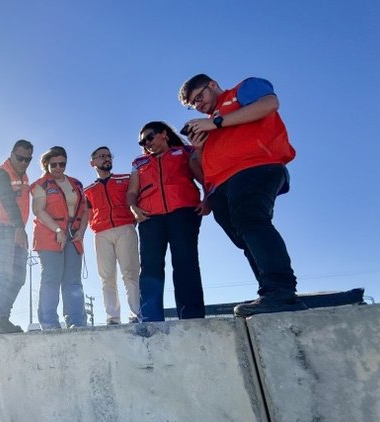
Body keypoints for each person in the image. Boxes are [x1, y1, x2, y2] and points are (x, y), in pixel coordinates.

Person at [180, 74, 307, 317]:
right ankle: (270, 294)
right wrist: (200, 147)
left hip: (254, 167)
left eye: (199, 97)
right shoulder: (209, 124)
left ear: (212, 85)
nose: (198, 105)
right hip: (220, 185)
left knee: (251, 221)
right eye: (193, 104)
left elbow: (269, 104)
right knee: (244, 237)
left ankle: (282, 291)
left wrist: (216, 122)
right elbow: (206, 161)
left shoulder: (241, 91)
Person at [127, 122, 207, 322]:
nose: (147, 143)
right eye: (142, 142)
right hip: (149, 217)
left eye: (150, 137)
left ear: (163, 134)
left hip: (183, 212)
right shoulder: (139, 162)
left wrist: (208, 199)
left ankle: (192, 317)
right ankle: (150, 319)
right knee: (150, 267)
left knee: (185, 262)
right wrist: (133, 208)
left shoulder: (185, 152)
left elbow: (203, 176)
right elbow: (132, 191)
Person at [30, 146, 88, 330]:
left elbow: (85, 210)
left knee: (73, 280)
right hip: (49, 234)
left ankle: (76, 321)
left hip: (73, 235)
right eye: (53, 164)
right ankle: (49, 323)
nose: (58, 168)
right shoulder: (41, 185)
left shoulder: (76, 184)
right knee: (51, 278)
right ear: (46, 164)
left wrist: (82, 231)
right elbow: (38, 210)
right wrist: (57, 230)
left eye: (62, 164)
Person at [0, 139, 33, 334]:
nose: (24, 163)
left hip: (17, 229)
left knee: (19, 278)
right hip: (3, 229)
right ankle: (1, 319)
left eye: (28, 159)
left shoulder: (23, 176)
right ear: (11, 155)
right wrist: (19, 227)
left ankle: (1, 318)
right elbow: (8, 200)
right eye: (20, 158)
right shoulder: (0, 174)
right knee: (5, 273)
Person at [83, 146, 140, 324]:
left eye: (109, 156)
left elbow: (136, 197)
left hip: (125, 228)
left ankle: (137, 314)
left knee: (130, 273)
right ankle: (113, 318)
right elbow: (87, 214)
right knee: (106, 276)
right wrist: (92, 227)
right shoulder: (88, 190)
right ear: (92, 162)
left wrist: (132, 220)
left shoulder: (125, 179)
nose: (107, 159)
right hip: (101, 233)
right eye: (102, 156)